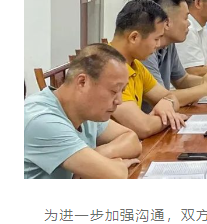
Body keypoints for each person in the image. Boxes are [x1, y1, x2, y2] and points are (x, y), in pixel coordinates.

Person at [24, 44, 142, 179]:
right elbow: (117, 174)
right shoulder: (42, 120)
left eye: (122, 90)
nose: (119, 101)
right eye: (114, 91)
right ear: (82, 82)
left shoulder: (86, 110)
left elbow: (132, 140)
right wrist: (114, 164)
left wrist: (99, 154)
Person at [109, 0, 188, 139]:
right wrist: (169, 118)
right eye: (156, 39)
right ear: (134, 37)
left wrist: (166, 103)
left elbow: (171, 97)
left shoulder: (135, 64)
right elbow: (143, 127)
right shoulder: (109, 68)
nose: (158, 45)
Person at [143, 0, 207, 103]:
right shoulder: (145, 50)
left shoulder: (169, 44)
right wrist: (205, 89)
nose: (188, 23)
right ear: (167, 23)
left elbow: (182, 80)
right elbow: (162, 98)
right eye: (185, 18)